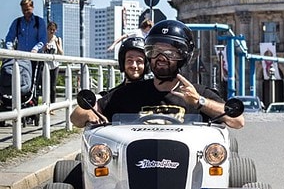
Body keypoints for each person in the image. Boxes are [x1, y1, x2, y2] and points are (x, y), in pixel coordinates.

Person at [70, 20, 243, 129]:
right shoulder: (129, 92)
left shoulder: (198, 93)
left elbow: (238, 121)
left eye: (169, 53)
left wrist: (200, 102)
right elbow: (76, 118)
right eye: (155, 51)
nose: (161, 58)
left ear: (184, 56)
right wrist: (88, 113)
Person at [43, 21, 63, 106]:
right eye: (50, 29)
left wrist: (57, 44)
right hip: (45, 65)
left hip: (55, 65)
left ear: (56, 30)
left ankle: (52, 105)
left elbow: (61, 53)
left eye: (53, 30)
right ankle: (45, 104)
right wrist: (44, 47)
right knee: (45, 86)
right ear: (47, 29)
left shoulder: (58, 39)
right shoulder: (43, 38)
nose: (52, 31)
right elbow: (40, 51)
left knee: (53, 87)